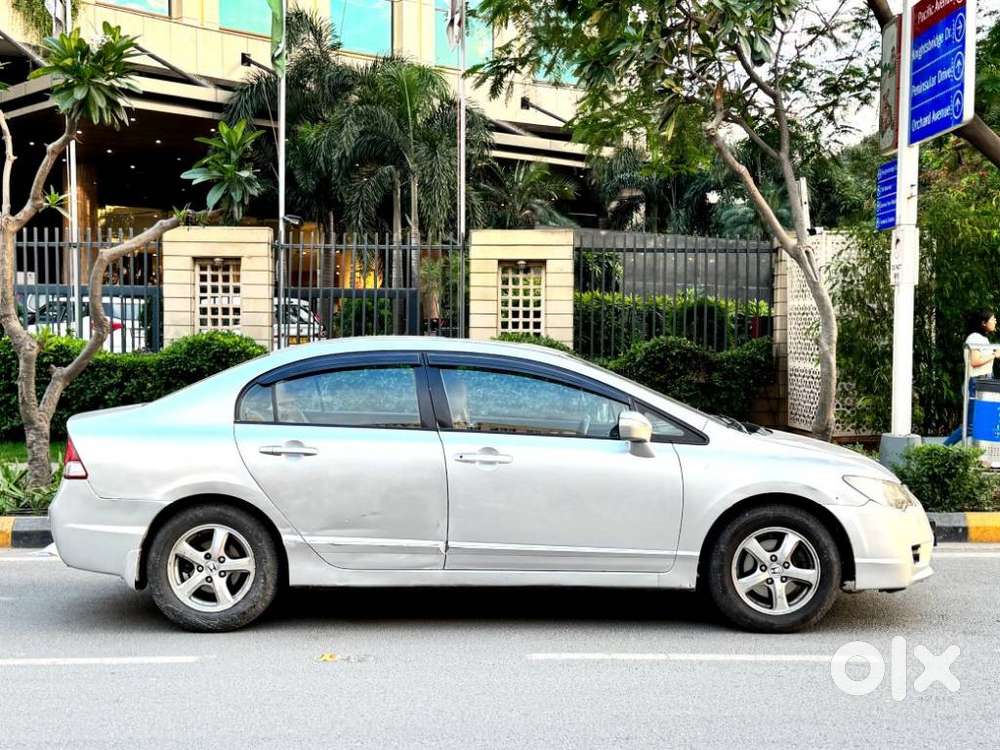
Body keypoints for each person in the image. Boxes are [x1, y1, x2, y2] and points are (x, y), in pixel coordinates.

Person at [944, 309, 997, 446]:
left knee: (985, 422)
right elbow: (975, 361)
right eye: (992, 319)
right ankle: (943, 450)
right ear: (983, 323)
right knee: (970, 426)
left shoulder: (984, 339)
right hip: (977, 383)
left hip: (986, 382)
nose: (995, 321)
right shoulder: (974, 338)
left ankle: (980, 456)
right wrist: (994, 355)